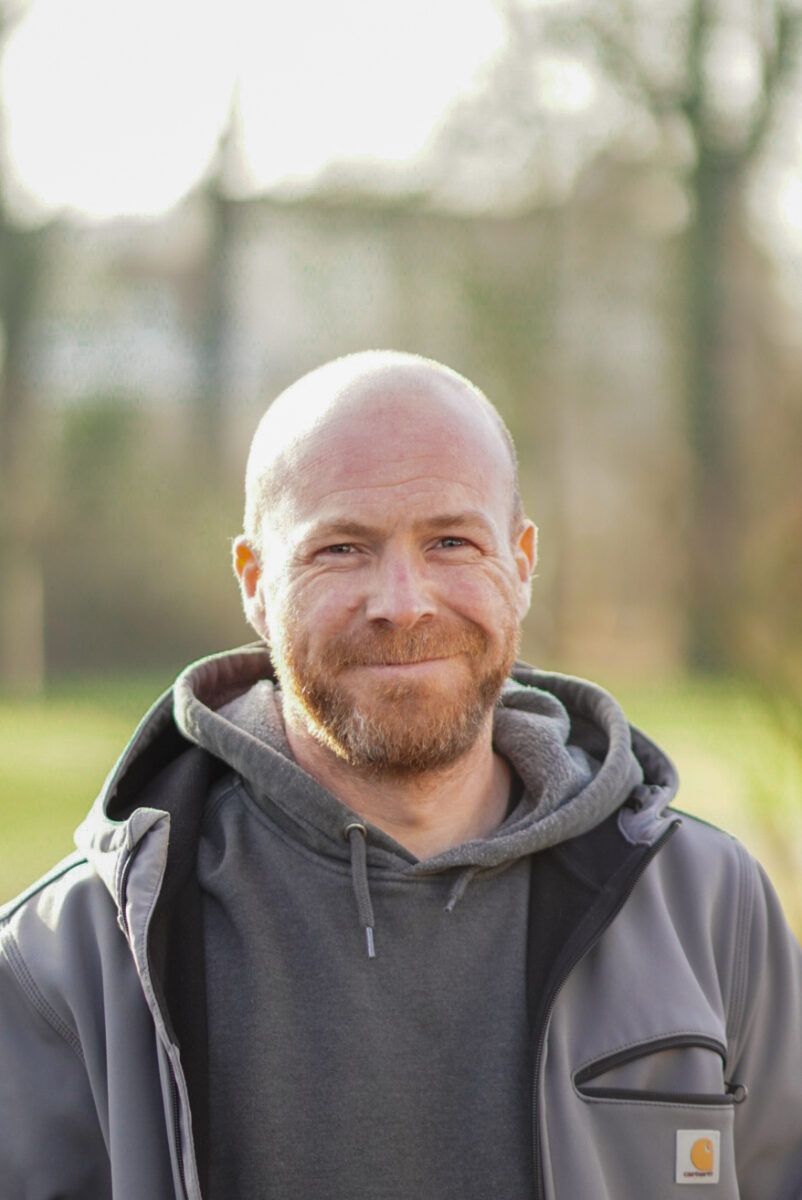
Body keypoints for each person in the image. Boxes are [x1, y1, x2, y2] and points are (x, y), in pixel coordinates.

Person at [1, 350, 800, 1200]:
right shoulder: (70, 959)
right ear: (256, 583)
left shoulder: (711, 910)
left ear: (521, 563)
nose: (403, 602)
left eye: (452, 541)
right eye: (342, 549)